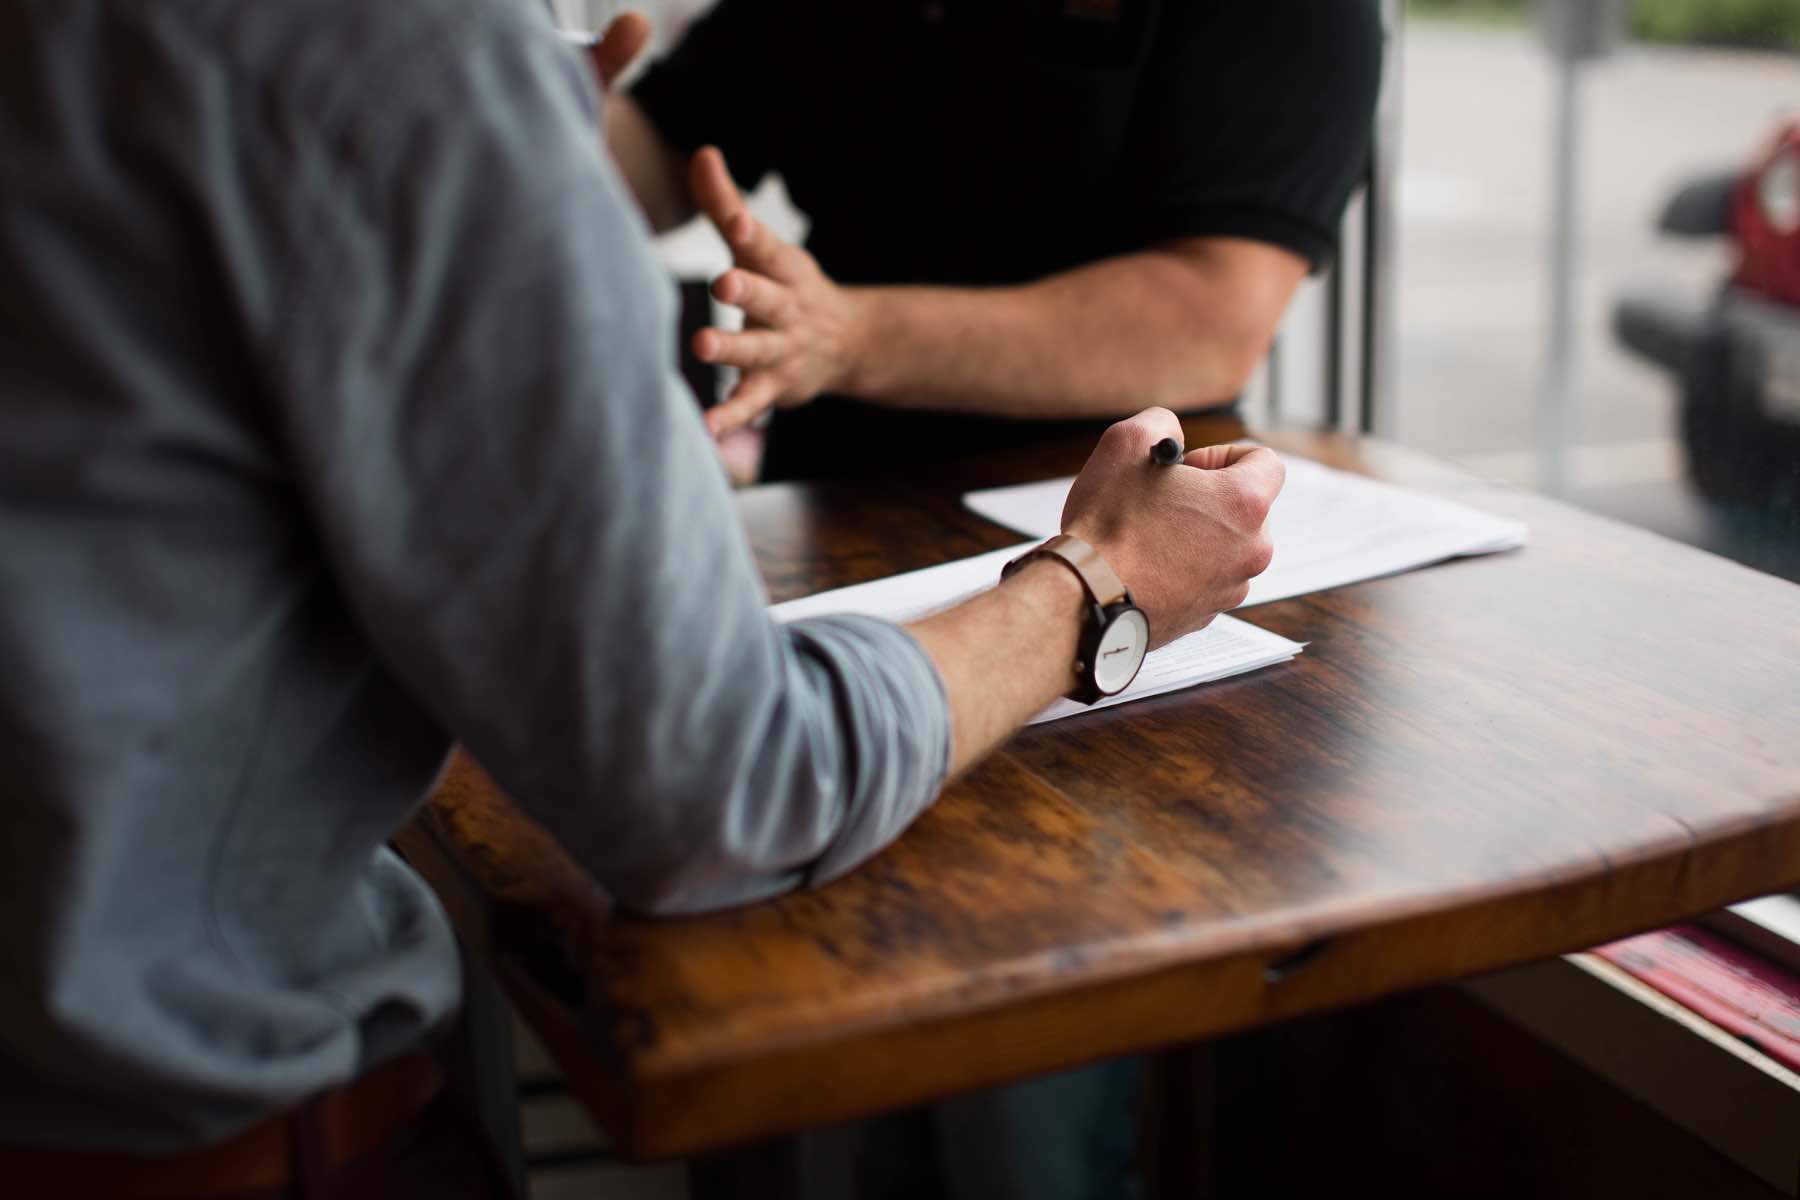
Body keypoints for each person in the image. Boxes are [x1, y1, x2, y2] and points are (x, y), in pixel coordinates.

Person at [0, 0, 1283, 1195]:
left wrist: (509, 143)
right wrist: (1100, 584)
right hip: (184, 1125)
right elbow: (720, 783)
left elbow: (1219, 310)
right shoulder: (393, 46)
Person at [606, 0, 1384, 481]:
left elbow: (1209, 321)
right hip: (832, 498)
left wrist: (847, 336)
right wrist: (525, 125)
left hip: (1107, 521)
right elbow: (668, 146)